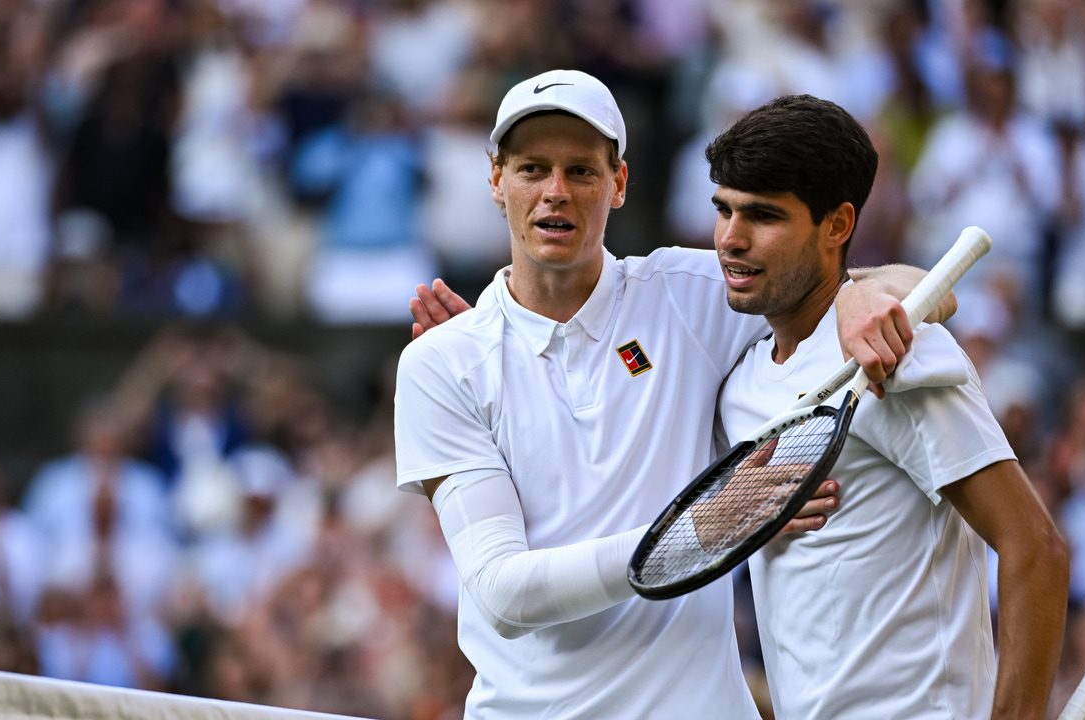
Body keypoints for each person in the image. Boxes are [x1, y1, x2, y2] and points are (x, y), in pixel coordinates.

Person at [394, 70, 946, 718]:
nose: (555, 193)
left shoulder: (688, 294)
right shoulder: (441, 363)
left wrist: (856, 295)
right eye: (532, 169)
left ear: (619, 182)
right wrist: (695, 531)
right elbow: (503, 594)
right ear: (496, 179)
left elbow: (929, 288)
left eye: (581, 171)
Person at [707, 94, 1069, 719]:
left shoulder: (901, 357)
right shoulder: (739, 382)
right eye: (723, 210)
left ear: (837, 226)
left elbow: (1035, 547)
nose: (732, 240)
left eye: (763, 216)